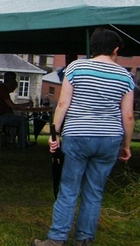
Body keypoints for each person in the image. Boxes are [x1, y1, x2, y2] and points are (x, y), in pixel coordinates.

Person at [33, 28, 134, 246]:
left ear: (93, 47)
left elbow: (62, 103)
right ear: (115, 49)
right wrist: (126, 145)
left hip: (78, 134)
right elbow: (127, 115)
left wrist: (54, 133)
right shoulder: (125, 75)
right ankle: (84, 240)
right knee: (94, 191)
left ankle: (56, 239)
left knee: (69, 188)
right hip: (109, 137)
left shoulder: (76, 67)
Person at [0, 71, 34, 147]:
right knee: (23, 120)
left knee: (17, 118)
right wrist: (27, 104)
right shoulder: (2, 89)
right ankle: (22, 144)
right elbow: (13, 106)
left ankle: (13, 141)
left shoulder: (2, 88)